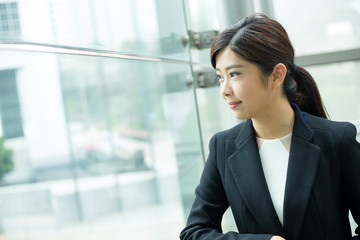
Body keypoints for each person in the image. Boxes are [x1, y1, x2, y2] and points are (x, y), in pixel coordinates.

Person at [179, 13, 360, 240]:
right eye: (219, 77)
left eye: (234, 74)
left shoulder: (336, 139)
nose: (224, 90)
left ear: (277, 75)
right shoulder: (223, 147)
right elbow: (195, 232)